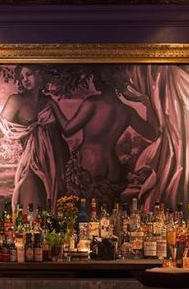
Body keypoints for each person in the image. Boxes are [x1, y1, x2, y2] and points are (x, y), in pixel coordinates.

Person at [49, 66, 160, 205]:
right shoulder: (127, 111)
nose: (93, 82)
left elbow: (67, 130)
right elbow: (153, 134)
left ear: (105, 80)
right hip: (114, 167)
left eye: (96, 78)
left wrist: (53, 105)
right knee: (109, 213)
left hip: (90, 166)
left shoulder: (92, 103)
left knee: (86, 213)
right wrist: (148, 104)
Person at [0, 65, 68, 210]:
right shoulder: (16, 100)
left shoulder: (49, 102)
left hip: (55, 162)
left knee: (54, 208)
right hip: (32, 162)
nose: (25, 79)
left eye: (29, 74)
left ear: (40, 75)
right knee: (30, 204)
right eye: (21, 77)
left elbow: (67, 129)